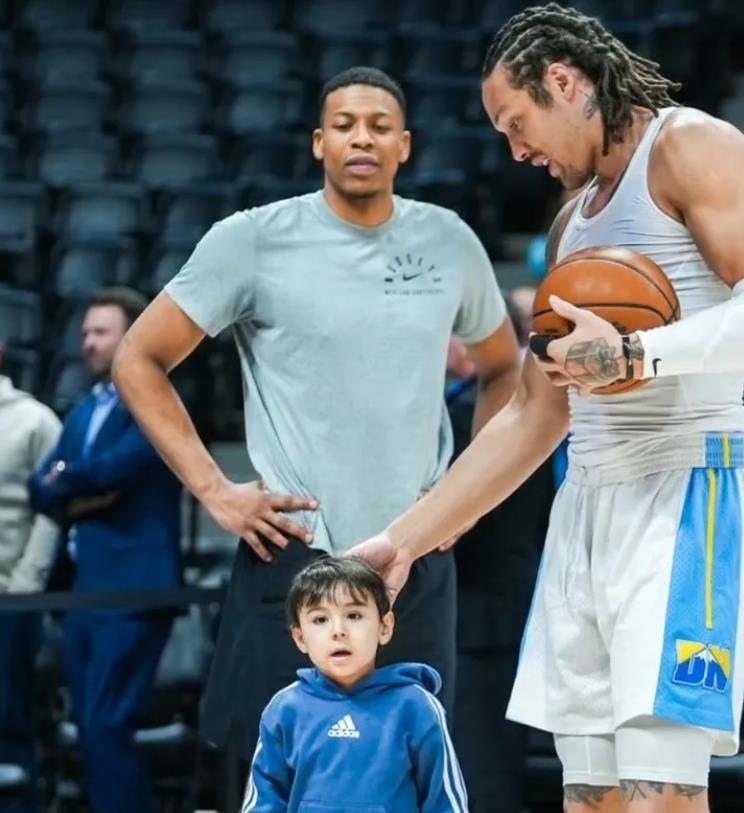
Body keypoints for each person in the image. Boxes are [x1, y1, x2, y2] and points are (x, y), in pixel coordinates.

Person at [351, 5, 744, 810]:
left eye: (516, 124)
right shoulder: (570, 224)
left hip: (686, 492)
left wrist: (635, 353)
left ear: (562, 82)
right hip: (585, 506)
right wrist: (404, 540)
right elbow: (533, 416)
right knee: (591, 796)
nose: (515, 150)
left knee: (661, 790)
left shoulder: (690, 146)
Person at [111, 66, 520, 803]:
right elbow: (137, 358)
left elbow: (503, 370)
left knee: (413, 783)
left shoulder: (448, 240)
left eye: (378, 126)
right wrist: (214, 490)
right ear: (318, 142)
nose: (361, 138)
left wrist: (467, 495)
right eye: (344, 125)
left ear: (404, 145)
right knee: (269, 779)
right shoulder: (251, 240)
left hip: (415, 559)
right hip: (293, 554)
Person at [28, 287, 182, 813]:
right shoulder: (84, 409)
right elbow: (40, 488)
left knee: (106, 723)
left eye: (101, 332)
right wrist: (75, 484)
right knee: (89, 726)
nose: (88, 343)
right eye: (85, 333)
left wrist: (68, 480)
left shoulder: (156, 399)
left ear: (133, 336)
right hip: (83, 592)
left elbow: (116, 470)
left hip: (134, 589)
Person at [243, 556, 467, 812]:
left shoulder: (416, 706)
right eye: (320, 619)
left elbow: (445, 801)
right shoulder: (284, 708)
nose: (338, 631)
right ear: (300, 638)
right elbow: (264, 799)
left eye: (353, 615)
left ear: (384, 627)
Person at [446, 298, 554, 812]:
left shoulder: (473, 417)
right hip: (510, 610)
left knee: (478, 774)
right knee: (492, 768)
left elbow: (452, 522)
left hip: (478, 617)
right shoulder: (530, 411)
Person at [0, 338, 61, 812]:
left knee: (9, 723)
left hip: (10, 600)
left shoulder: (35, 420)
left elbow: (53, 510)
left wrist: (26, 582)